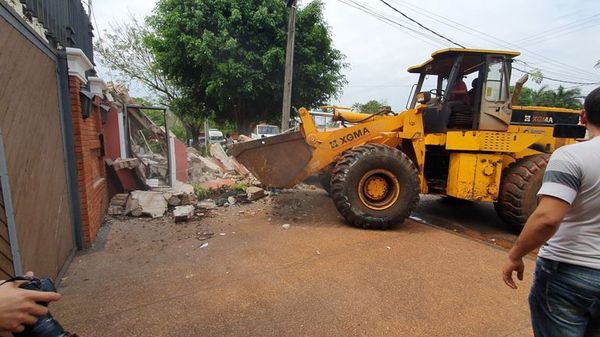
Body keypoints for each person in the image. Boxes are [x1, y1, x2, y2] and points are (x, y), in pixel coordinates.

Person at [502, 86, 600, 337]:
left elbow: (547, 218)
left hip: (569, 271)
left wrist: (515, 255)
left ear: (583, 116)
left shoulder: (571, 156)